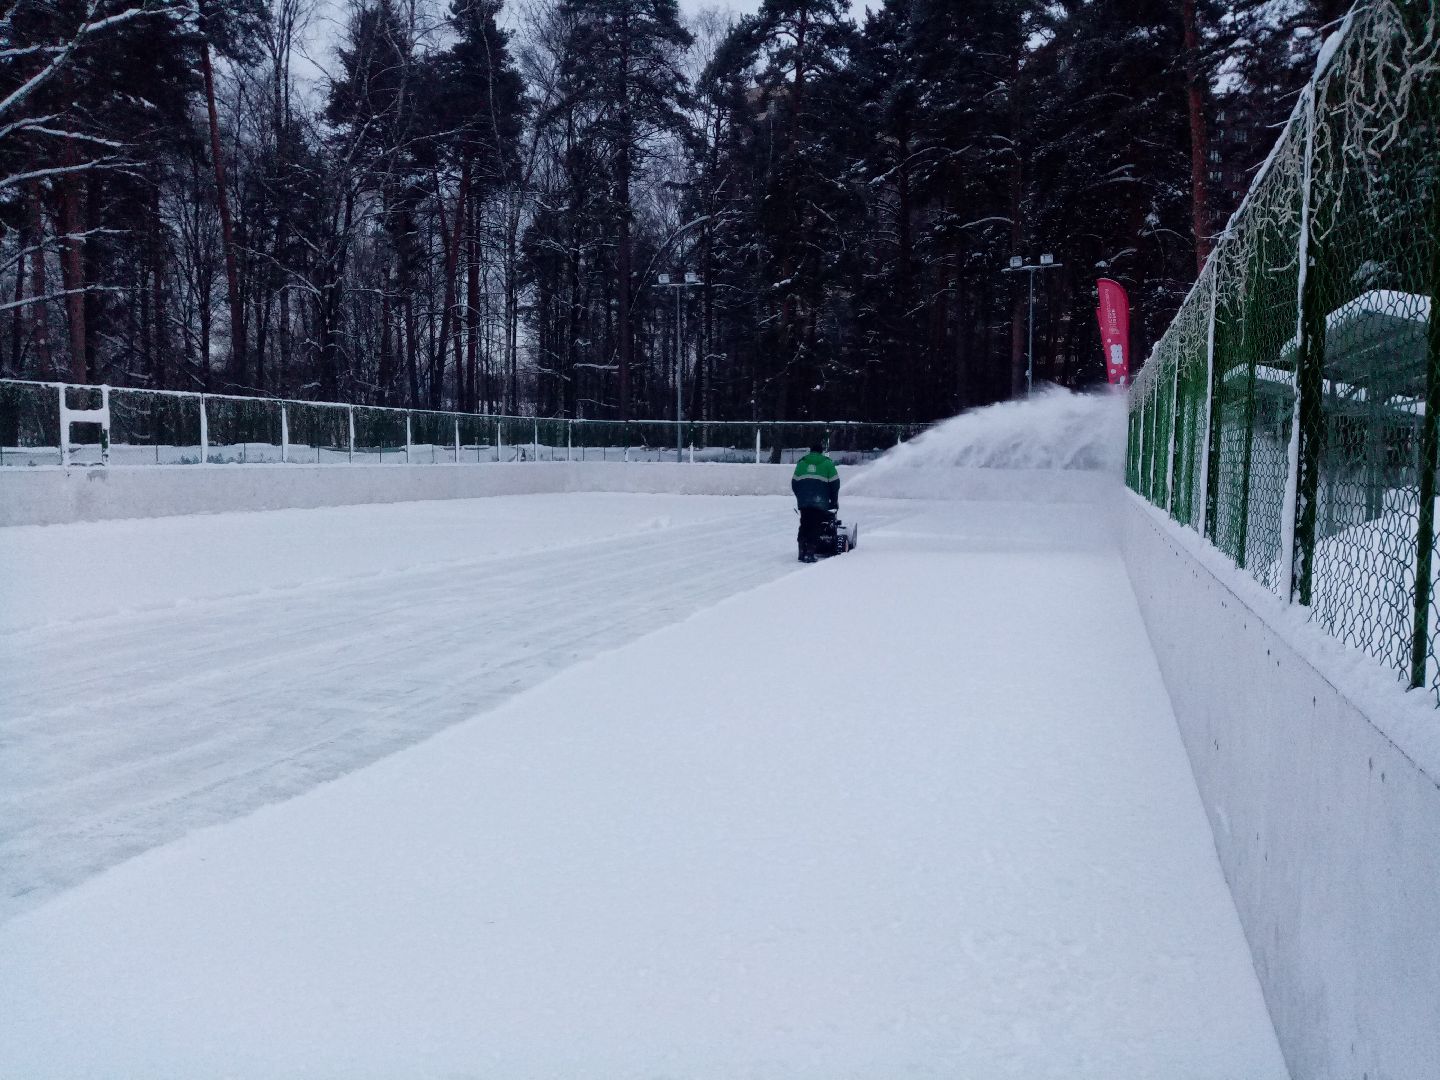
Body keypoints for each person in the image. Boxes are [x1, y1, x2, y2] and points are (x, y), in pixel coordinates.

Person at [791, 441, 839, 562]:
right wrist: (833, 500)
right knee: (815, 525)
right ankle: (810, 553)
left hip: (804, 502)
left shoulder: (801, 463)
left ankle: (802, 551)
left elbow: (794, 483)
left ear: (811, 451)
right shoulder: (827, 464)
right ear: (821, 451)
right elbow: (835, 484)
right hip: (820, 501)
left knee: (805, 524)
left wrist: (800, 497)